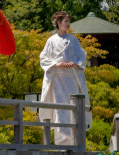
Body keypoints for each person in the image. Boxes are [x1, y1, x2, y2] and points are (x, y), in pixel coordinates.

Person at [39, 11, 92, 145]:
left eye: (69, 21)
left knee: (72, 109)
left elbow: (82, 57)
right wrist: (56, 64)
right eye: (65, 21)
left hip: (71, 79)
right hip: (57, 80)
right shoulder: (51, 40)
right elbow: (43, 58)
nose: (68, 24)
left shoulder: (74, 40)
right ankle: (62, 143)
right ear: (58, 23)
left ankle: (75, 142)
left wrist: (75, 64)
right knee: (60, 112)